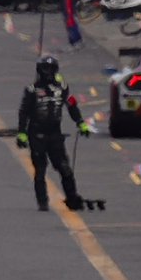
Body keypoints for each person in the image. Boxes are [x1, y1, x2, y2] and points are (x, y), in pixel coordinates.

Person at [16, 56, 90, 212]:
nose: (47, 73)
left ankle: (72, 198)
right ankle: (42, 202)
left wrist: (81, 122)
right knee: (40, 169)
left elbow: (72, 106)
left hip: (55, 135)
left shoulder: (62, 88)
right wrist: (21, 133)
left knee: (64, 168)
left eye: (50, 69)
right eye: (45, 69)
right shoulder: (32, 90)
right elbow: (24, 112)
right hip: (36, 135)